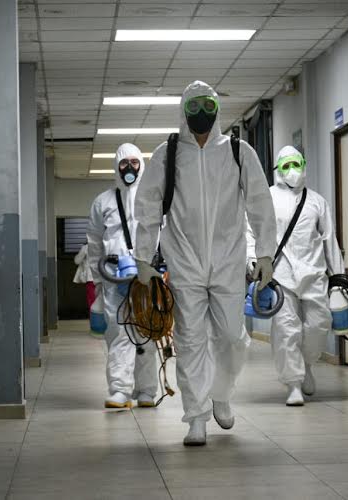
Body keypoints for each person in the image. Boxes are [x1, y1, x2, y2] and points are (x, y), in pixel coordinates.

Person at [133, 81, 276, 446]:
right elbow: (148, 208)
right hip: (184, 260)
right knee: (190, 340)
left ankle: (221, 394)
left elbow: (260, 203)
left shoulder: (238, 151)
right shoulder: (167, 154)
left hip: (228, 260)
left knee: (231, 337)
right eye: (194, 106)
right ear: (183, 110)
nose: (201, 113)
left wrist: (265, 253)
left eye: (207, 106)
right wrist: (143, 257)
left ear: (217, 109)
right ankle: (196, 417)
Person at [247, 146, 343, 406]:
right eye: (286, 165)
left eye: (296, 164)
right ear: (278, 169)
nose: (292, 170)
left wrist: (339, 279)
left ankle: (307, 363)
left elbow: (329, 240)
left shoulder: (317, 202)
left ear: (303, 164)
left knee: (319, 324)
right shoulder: (266, 198)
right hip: (280, 274)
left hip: (314, 273)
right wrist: (252, 259)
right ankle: (293, 384)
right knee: (286, 329)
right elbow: (250, 230)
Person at [87, 143, 158, 409]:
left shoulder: (152, 198)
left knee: (146, 332)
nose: (130, 168)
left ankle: (146, 390)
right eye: (124, 163)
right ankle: (120, 390)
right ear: (116, 167)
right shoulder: (103, 201)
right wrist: (96, 281)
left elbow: (164, 234)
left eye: (134, 162)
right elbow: (94, 243)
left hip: (145, 275)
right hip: (112, 277)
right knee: (118, 333)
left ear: (142, 164)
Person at [72, 243, 96, 310]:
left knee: (92, 300)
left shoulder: (86, 247)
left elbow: (77, 261)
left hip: (91, 278)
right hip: (103, 277)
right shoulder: (103, 245)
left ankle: (93, 315)